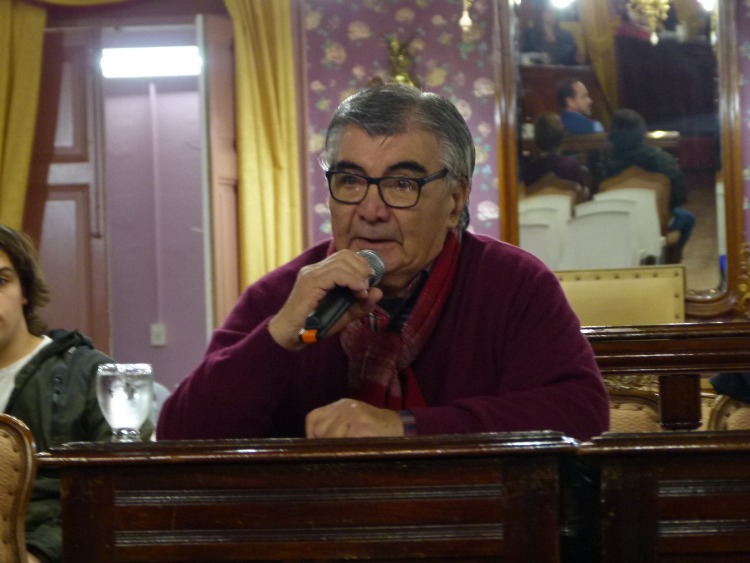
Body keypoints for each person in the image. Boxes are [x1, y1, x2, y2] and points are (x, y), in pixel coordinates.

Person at [157, 83, 609, 443]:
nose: (370, 210)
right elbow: (181, 438)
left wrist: (405, 427)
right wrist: (277, 339)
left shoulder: (514, 285)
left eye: (402, 184)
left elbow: (581, 414)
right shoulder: (282, 295)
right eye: (350, 181)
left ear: (455, 200)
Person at [0, 225, 149, 563]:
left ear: (25, 291)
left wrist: (39, 553)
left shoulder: (88, 374)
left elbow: (127, 487)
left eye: (1, 281)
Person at [602, 108, 696, 263]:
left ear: (612, 135)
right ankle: (671, 261)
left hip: (618, 228)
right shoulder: (663, 159)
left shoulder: (605, 167)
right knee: (688, 219)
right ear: (642, 131)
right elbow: (680, 196)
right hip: (658, 226)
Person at [523, 112, 589, 201]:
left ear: (536, 138)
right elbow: (580, 197)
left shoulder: (530, 169)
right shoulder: (571, 165)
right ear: (562, 137)